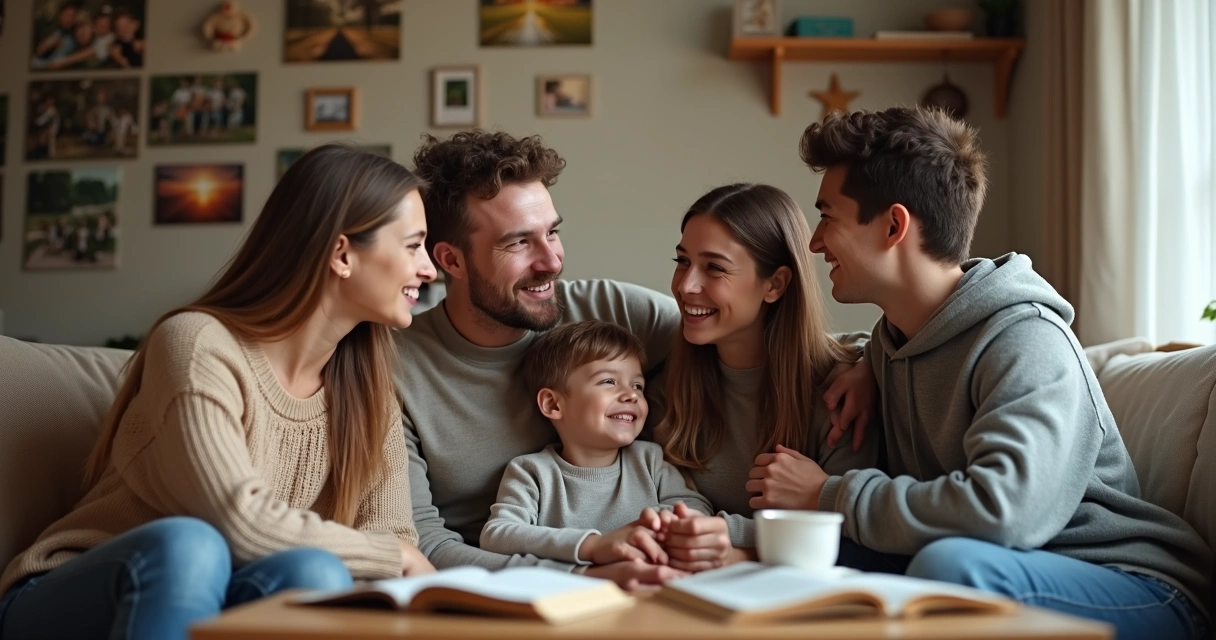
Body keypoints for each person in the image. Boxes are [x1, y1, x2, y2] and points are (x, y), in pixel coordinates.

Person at [798, 106, 1211, 638]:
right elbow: (875, 348)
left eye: (827, 216)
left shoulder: (1026, 340)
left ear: (894, 225)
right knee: (817, 562)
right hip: (1010, 571)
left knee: (948, 569)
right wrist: (863, 367)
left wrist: (829, 494)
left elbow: (1002, 513)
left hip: (1135, 587)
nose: (813, 242)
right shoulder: (894, 340)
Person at [0, 145, 437, 640]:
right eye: (413, 246)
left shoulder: (369, 390)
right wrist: (392, 555)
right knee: (191, 547)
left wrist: (395, 559)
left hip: (226, 593)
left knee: (316, 575)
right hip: (73, 594)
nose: (429, 269)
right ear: (341, 254)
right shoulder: (198, 344)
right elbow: (241, 524)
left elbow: (394, 542)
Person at [657, 183, 880, 556]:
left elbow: (842, 536)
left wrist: (726, 538)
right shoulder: (664, 388)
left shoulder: (843, 391)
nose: (685, 285)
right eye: (682, 261)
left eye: (714, 267)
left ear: (775, 284)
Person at [480, 321, 712, 577]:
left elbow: (695, 507)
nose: (631, 395)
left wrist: (659, 523)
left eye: (637, 386)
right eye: (609, 381)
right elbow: (497, 534)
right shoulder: (532, 472)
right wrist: (590, 545)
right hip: (573, 597)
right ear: (553, 404)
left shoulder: (650, 460)